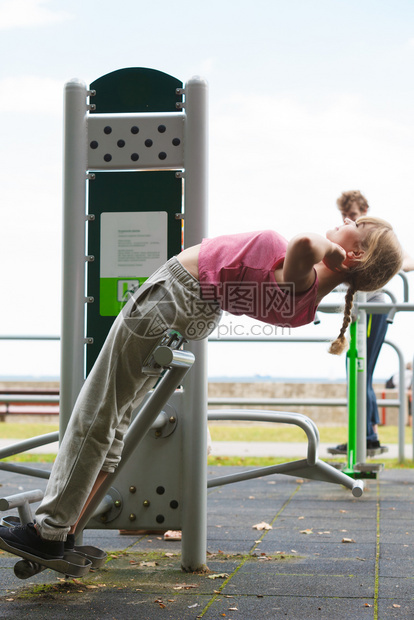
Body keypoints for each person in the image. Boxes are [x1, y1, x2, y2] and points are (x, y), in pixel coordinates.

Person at [0, 217, 403, 562]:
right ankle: (67, 527)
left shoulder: (306, 278)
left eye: (358, 226)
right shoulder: (307, 302)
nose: (348, 221)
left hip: (173, 298)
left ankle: (49, 531)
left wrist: (328, 250)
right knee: (114, 422)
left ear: (354, 256)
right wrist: (337, 253)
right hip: (188, 308)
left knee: (96, 415)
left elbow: (303, 244)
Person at [332, 191, 414, 453]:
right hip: (360, 308)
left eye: (354, 216)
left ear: (365, 209)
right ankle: (369, 434)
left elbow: (405, 259)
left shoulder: (376, 235)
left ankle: (366, 434)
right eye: (346, 217)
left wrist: (385, 264)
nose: (350, 221)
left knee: (360, 369)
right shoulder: (356, 237)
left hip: (373, 308)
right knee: (357, 370)